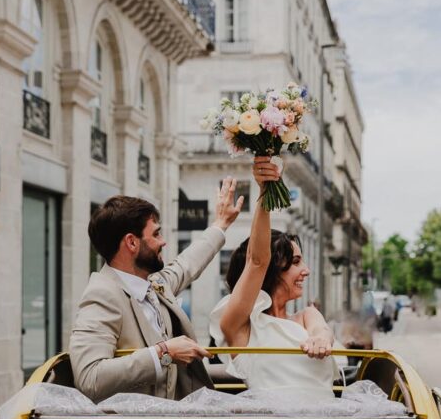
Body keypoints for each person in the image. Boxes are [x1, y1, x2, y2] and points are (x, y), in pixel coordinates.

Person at [69, 179, 243, 401]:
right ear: (132, 243)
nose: (163, 242)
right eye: (156, 234)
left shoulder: (155, 283)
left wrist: (221, 223)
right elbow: (90, 378)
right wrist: (164, 353)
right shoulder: (103, 295)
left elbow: (187, 265)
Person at [209, 157, 337, 399]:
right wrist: (265, 190)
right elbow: (257, 261)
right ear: (273, 268)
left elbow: (322, 330)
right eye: (296, 262)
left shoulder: (308, 316)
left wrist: (320, 339)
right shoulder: (238, 327)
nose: (306, 271)